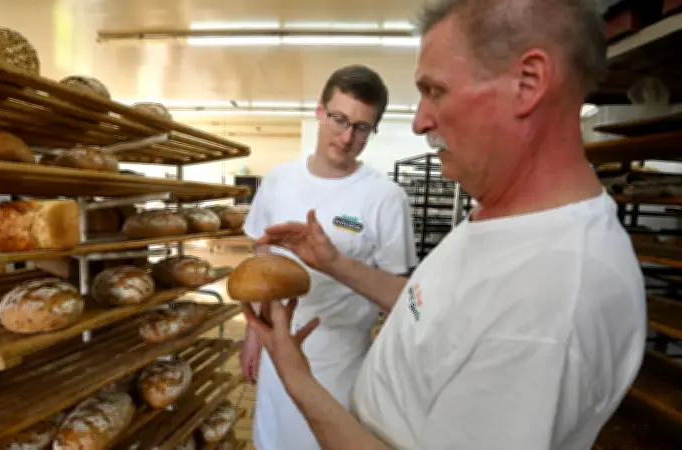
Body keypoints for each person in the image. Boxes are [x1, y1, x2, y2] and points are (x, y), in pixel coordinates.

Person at [243, 0, 647, 449]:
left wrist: (299, 383)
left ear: (528, 82)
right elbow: (428, 310)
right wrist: (334, 263)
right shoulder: (500, 218)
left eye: (435, 91)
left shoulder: (552, 300)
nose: (419, 121)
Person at [241, 65, 418, 450]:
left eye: (361, 127)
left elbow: (402, 296)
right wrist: (253, 335)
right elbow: (262, 258)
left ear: (373, 131)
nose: (346, 135)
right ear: (320, 111)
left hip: (341, 360)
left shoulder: (385, 197)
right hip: (279, 348)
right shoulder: (277, 180)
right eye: (339, 118)